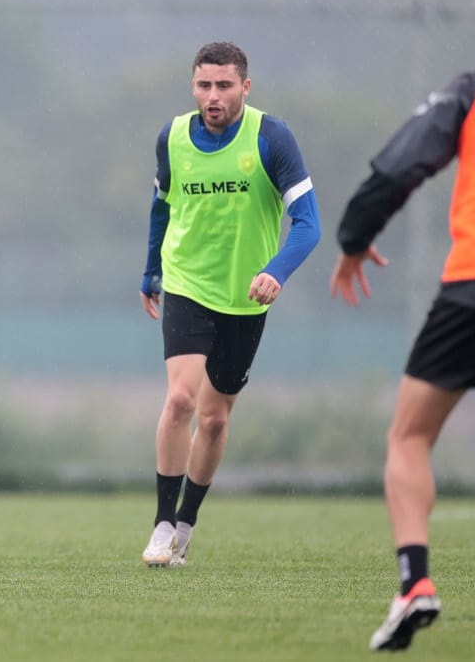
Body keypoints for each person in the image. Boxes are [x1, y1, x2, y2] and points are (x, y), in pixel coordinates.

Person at [138, 41, 320, 567]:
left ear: (245, 86)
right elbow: (160, 206)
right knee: (180, 400)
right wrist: (152, 272)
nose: (212, 96)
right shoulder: (172, 138)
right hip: (187, 283)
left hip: (246, 297)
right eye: (203, 85)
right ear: (193, 86)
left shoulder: (271, 138)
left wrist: (275, 271)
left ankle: (185, 526)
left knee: (214, 420)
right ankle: (161, 525)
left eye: (223, 85)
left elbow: (308, 223)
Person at [329, 71, 475, 651]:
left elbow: (399, 168)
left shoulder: (473, 92)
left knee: (409, 436)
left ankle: (415, 583)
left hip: (474, 287)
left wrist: (354, 237)